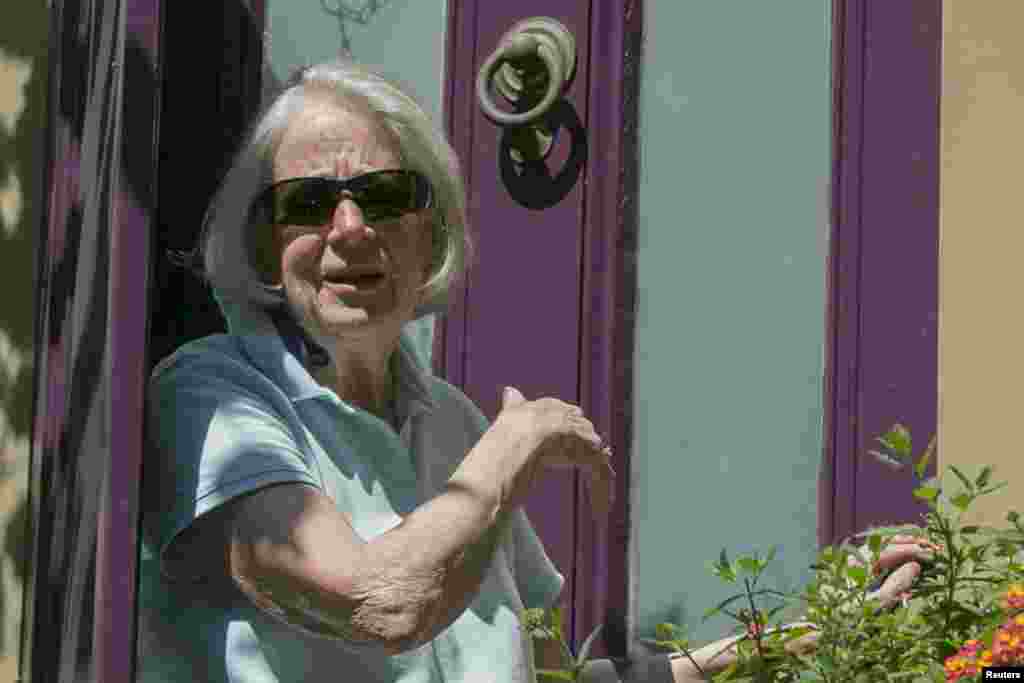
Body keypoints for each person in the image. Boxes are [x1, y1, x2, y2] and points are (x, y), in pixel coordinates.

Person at [137, 59, 931, 683]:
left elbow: (549, 677)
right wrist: (515, 449)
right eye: (308, 203)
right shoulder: (214, 397)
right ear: (267, 245)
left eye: (382, 195)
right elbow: (378, 601)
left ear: (430, 232)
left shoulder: (453, 423)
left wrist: (821, 630)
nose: (349, 229)